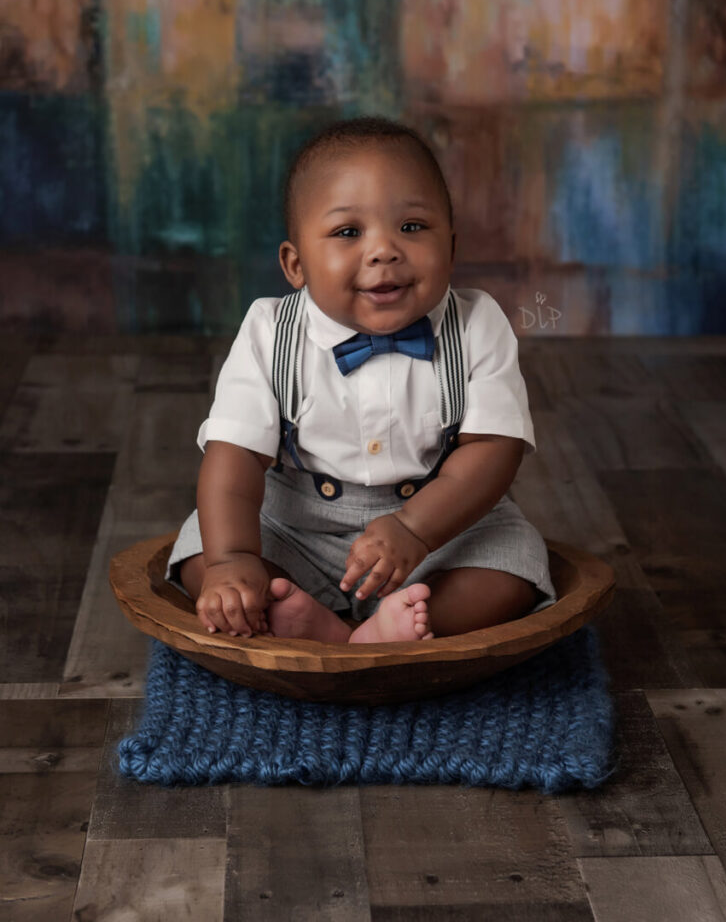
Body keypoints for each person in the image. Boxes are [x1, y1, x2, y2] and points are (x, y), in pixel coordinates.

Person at [164, 116, 557, 644]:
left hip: (440, 525)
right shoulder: (268, 331)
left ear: (452, 248)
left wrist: (415, 528)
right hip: (296, 525)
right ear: (296, 264)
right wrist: (232, 559)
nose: (383, 251)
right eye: (349, 232)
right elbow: (233, 456)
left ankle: (389, 624)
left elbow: (494, 449)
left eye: (412, 228)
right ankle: (325, 621)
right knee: (200, 559)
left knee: (511, 572)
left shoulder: (478, 325)